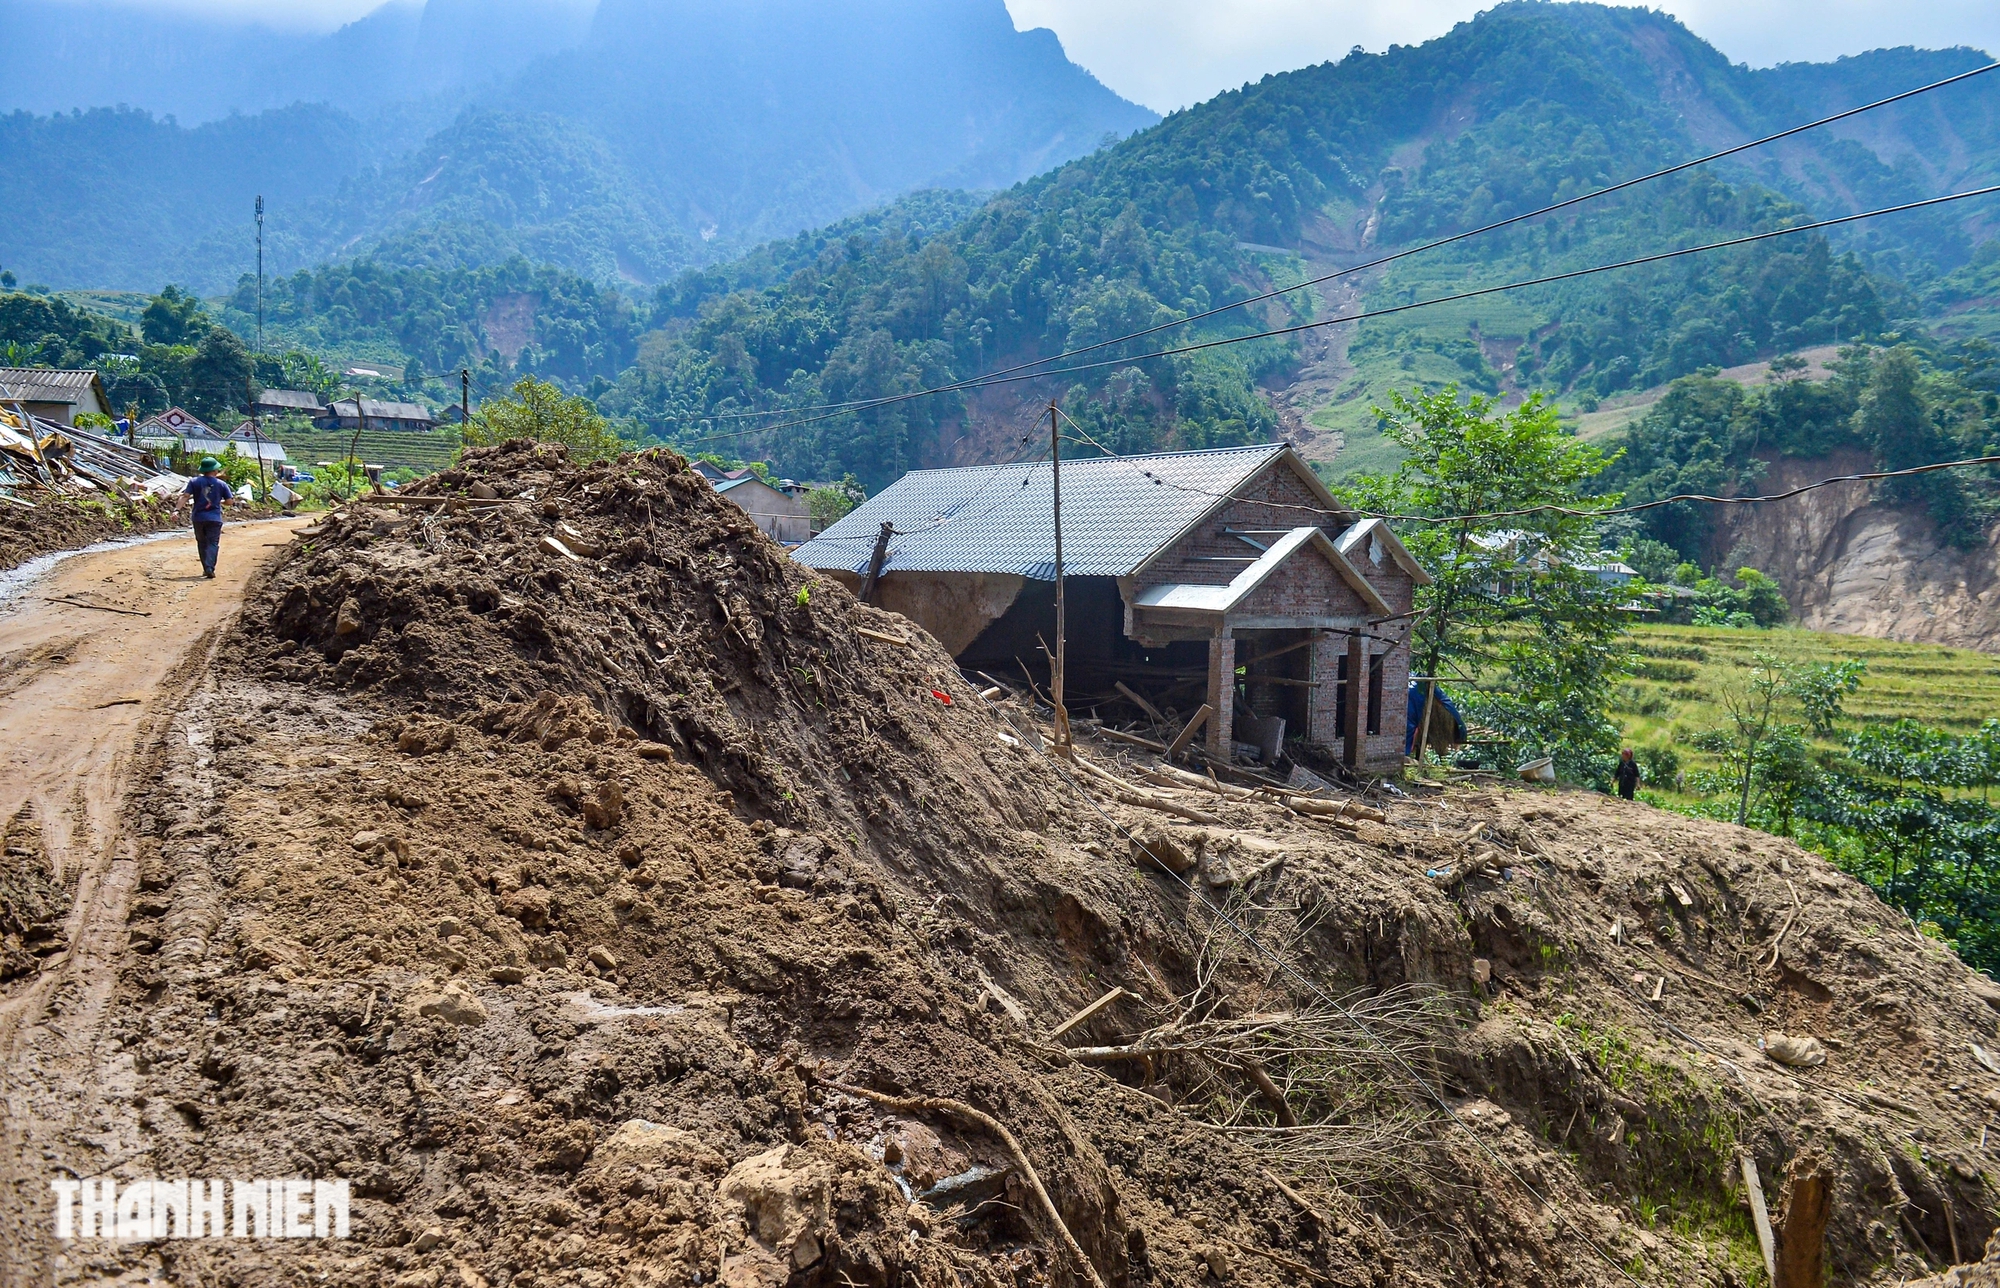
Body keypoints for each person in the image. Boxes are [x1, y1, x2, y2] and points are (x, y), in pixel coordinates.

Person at [180, 457, 234, 579]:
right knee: (213, 543)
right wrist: (220, 503)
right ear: (214, 470)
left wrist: (176, 510)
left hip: (198, 518)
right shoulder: (222, 484)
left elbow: (185, 496)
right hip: (214, 518)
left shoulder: (194, 482)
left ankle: (206, 568)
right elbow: (230, 501)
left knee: (202, 543)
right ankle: (210, 568)